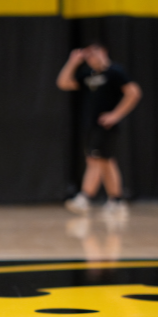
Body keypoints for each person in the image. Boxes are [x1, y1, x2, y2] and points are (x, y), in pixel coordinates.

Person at [56, 42, 142, 219]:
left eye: (94, 53)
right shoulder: (88, 75)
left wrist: (116, 115)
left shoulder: (115, 72)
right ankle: (116, 200)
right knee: (106, 161)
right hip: (91, 125)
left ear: (104, 52)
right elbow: (63, 83)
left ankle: (85, 197)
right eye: (88, 55)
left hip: (106, 126)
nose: (91, 57)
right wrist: (73, 62)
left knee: (95, 159)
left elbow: (134, 92)